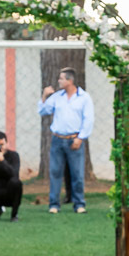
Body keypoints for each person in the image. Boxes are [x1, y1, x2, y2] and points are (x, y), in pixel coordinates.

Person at [39, 68, 93, 214]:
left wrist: (80, 138)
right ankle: (54, 204)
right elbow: (43, 111)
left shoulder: (84, 97)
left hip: (74, 140)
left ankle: (79, 204)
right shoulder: (57, 97)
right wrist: (44, 96)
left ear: (70, 81)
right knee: (55, 172)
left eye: (61, 78)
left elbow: (88, 120)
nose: (59, 81)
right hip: (57, 139)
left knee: (77, 174)